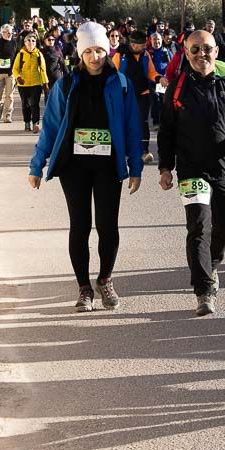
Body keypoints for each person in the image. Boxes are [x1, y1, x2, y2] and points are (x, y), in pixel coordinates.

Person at [29, 22, 144, 312]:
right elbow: (51, 128)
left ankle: (105, 280)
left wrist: (136, 167)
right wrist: (36, 165)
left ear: (108, 51)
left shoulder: (121, 84)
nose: (95, 57)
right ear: (80, 53)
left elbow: (132, 126)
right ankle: (83, 288)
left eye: (100, 51)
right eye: (89, 51)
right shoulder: (65, 85)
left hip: (108, 165)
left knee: (107, 227)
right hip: (74, 167)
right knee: (79, 226)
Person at [159, 30, 225, 316]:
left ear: (216, 51)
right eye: (194, 50)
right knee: (198, 227)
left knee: (223, 228)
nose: (201, 54)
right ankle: (204, 291)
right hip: (192, 169)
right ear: (186, 53)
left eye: (206, 49)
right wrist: (165, 167)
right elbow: (166, 130)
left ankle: (211, 265)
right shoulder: (178, 87)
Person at [119, 30, 159, 164]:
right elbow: (113, 73)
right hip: (125, 94)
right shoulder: (121, 55)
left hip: (143, 93)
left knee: (143, 122)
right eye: (141, 45)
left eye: (144, 44)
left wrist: (159, 78)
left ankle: (144, 151)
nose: (144, 47)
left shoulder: (146, 55)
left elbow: (151, 72)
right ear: (133, 44)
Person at [13, 33, 50, 133]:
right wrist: (18, 77)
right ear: (25, 43)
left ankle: (36, 123)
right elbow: (15, 69)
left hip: (36, 83)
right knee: (25, 105)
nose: (31, 43)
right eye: (28, 40)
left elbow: (43, 70)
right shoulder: (20, 54)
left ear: (35, 43)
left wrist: (45, 83)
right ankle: (27, 123)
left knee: (34, 104)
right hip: (23, 84)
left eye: (33, 41)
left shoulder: (38, 54)